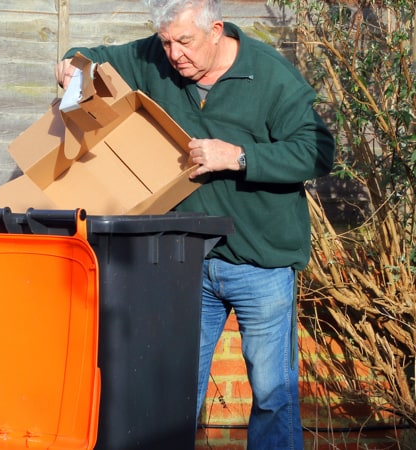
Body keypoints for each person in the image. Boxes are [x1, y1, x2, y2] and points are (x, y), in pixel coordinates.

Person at [55, 0, 335, 448]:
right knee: (173, 392)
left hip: (260, 261)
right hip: (184, 260)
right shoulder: (156, 55)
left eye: (184, 41)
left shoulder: (270, 74)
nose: (173, 54)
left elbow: (318, 152)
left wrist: (240, 157)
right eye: (166, 42)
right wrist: (72, 65)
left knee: (272, 396)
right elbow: (91, 54)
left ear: (217, 30)